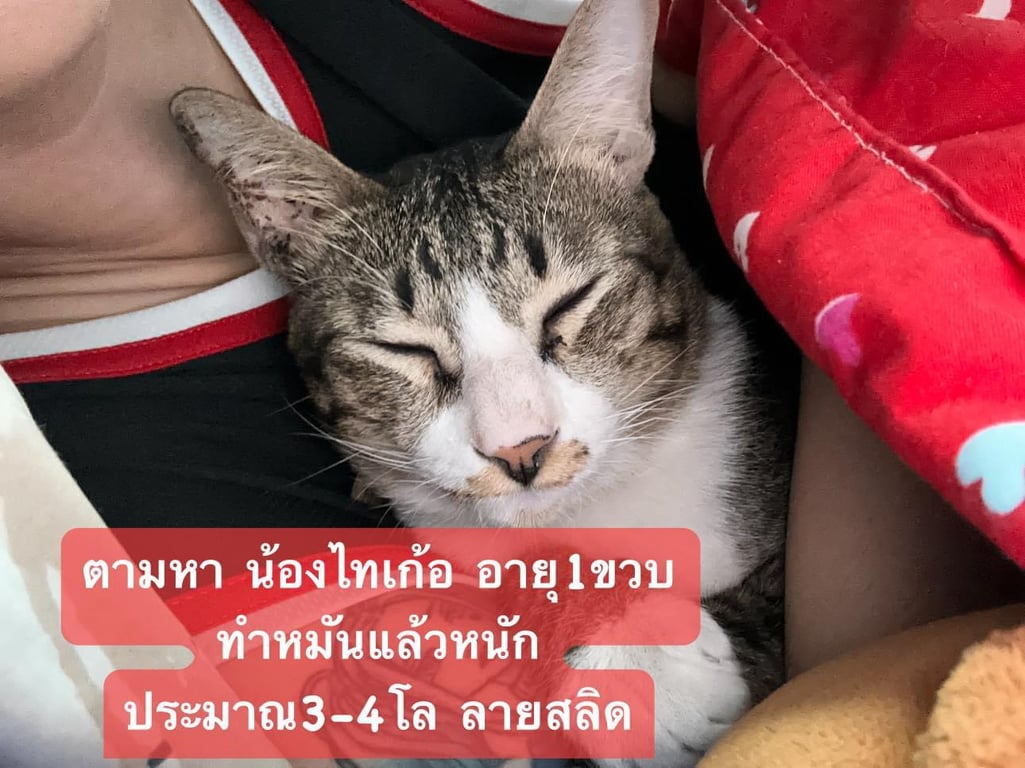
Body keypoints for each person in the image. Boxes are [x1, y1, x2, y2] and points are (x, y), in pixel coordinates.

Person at [0, 0, 1020, 741]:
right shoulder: (87, 541)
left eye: (570, 317)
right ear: (276, 225)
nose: (517, 438)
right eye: (409, 358)